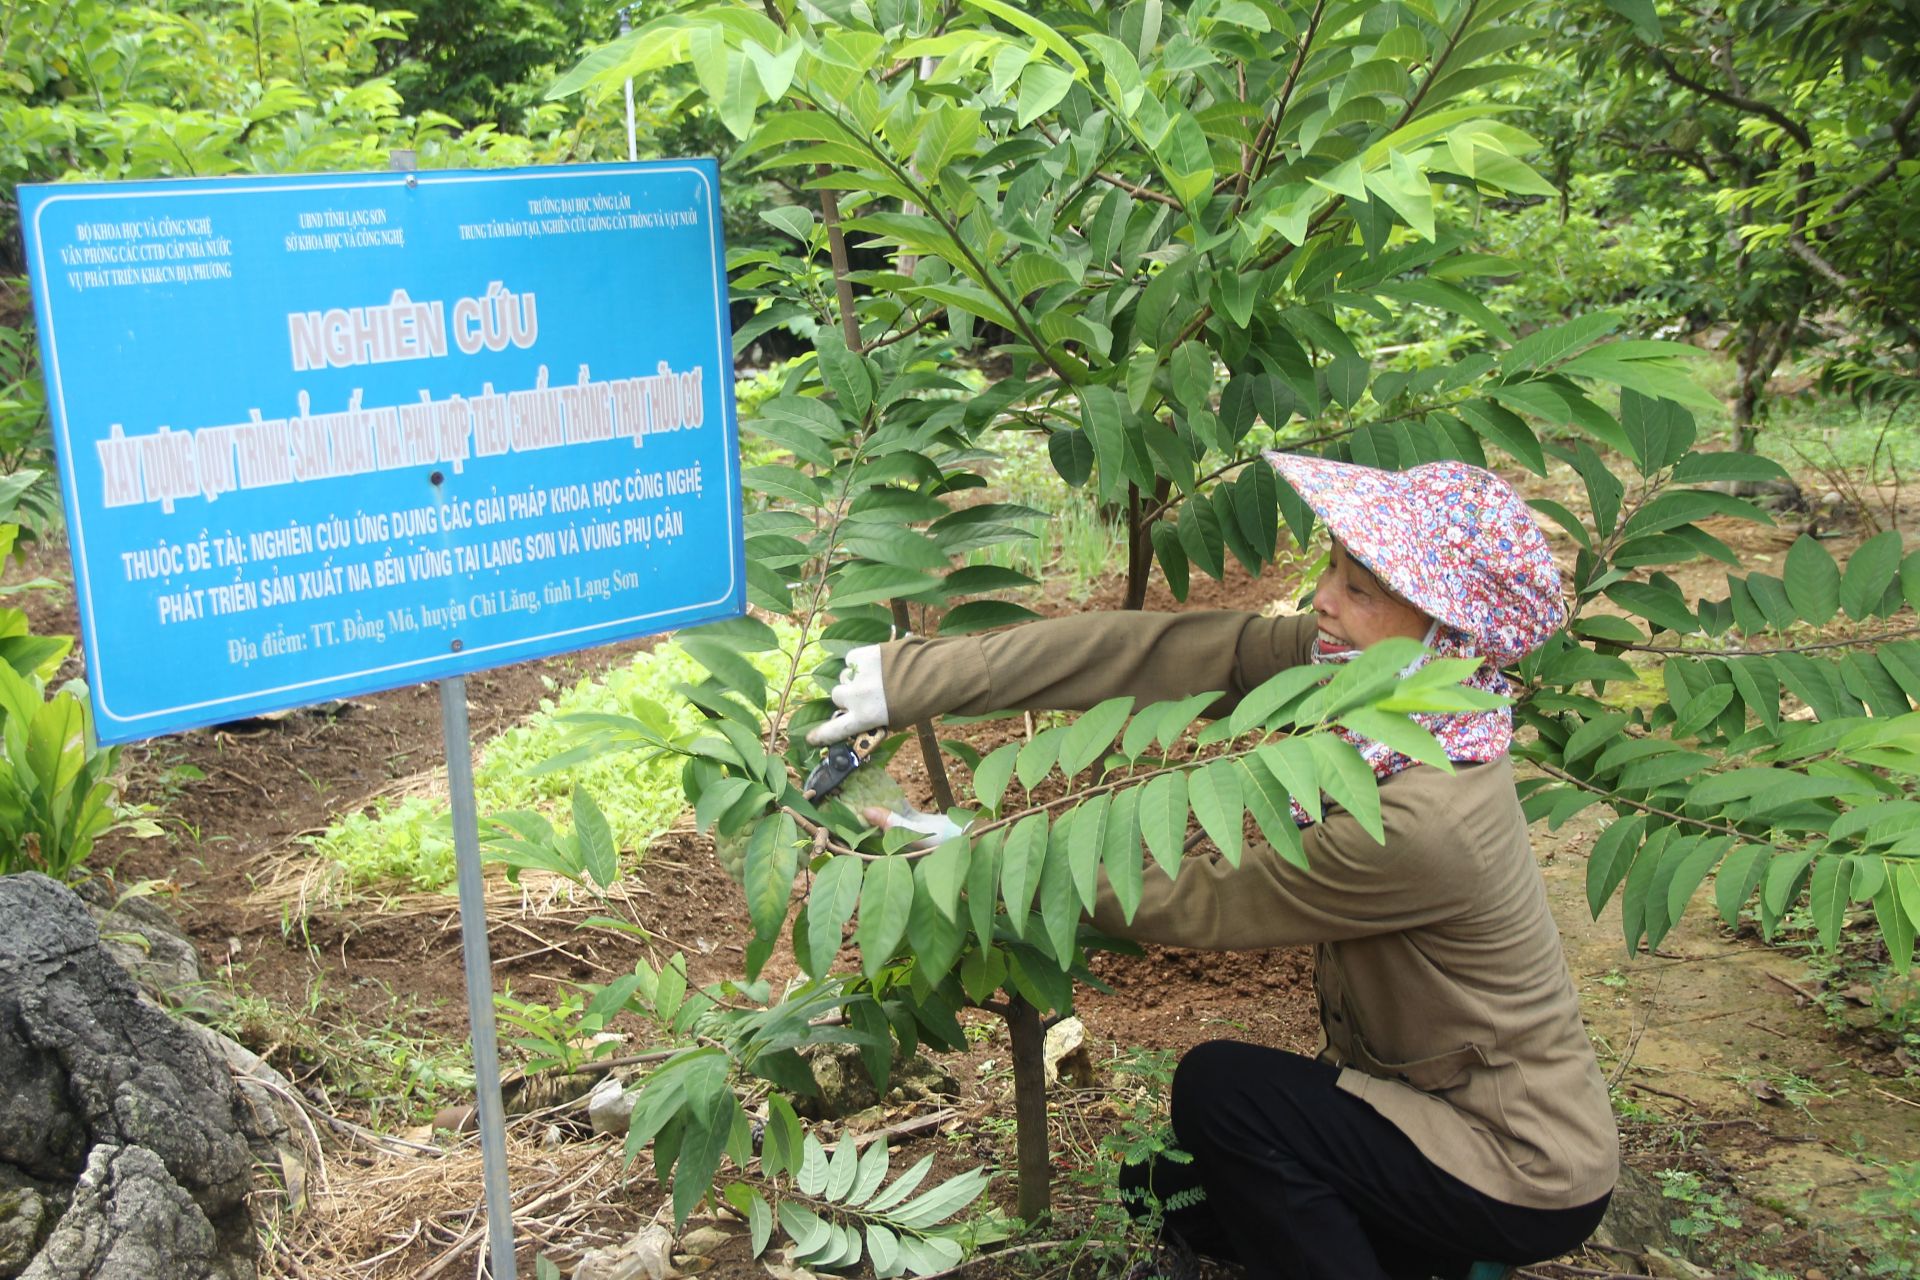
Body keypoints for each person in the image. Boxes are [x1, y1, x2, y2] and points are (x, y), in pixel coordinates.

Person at [807, 456, 1618, 1280]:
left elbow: (1204, 895)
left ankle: (1438, 1248)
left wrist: (981, 856)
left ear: (1444, 629)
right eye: (1332, 568)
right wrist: (912, 676)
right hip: (1417, 1109)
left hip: (1516, 1164)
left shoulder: (1429, 823)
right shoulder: (1387, 683)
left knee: (1223, 1094)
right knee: (1160, 1191)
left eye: (1361, 588)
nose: (1323, 602)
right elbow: (1181, 652)